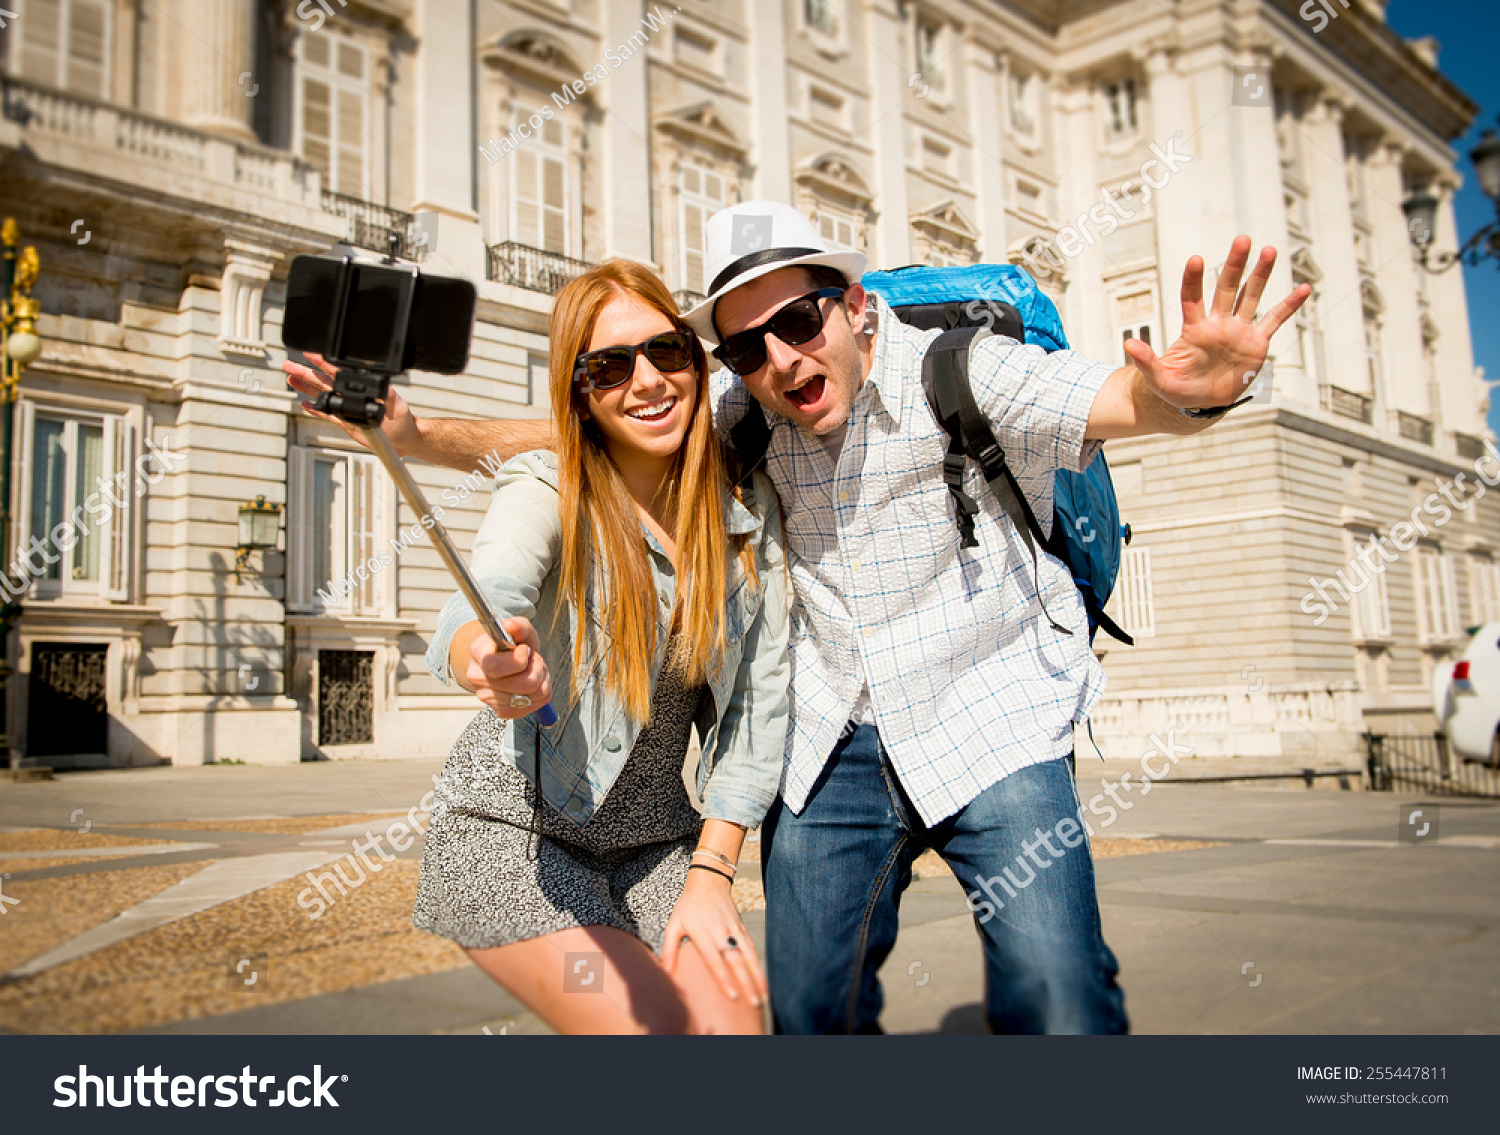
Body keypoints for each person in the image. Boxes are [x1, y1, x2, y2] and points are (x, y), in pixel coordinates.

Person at [285, 203, 1308, 1035]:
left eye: (800, 321)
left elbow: (1113, 399)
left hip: (985, 716)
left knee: (1056, 992)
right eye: (741, 344)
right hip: (785, 756)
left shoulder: (958, 373)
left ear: (855, 306)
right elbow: (539, 496)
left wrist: (1197, 395)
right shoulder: (730, 422)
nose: (775, 355)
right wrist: (419, 453)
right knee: (804, 1013)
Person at [326, 259, 789, 1034]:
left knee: (734, 1035)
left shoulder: (742, 517)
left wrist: (713, 872)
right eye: (609, 366)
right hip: (515, 833)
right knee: (654, 1036)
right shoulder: (548, 485)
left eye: (666, 351)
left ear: (694, 355)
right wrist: (491, 659)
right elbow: (486, 599)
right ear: (580, 391)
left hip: (656, 840)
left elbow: (757, 709)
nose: (646, 381)